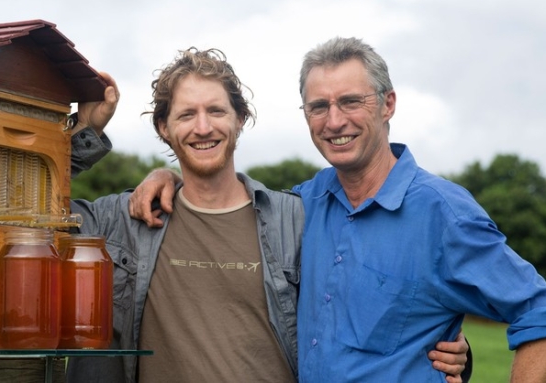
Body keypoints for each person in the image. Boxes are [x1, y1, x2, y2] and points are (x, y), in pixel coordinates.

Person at [129, 38, 546, 381]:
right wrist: (167, 177)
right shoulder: (300, 207)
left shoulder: (443, 214)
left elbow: (536, 311)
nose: (334, 121)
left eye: (350, 102)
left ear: (387, 105)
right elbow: (223, 198)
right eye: (318, 107)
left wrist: (461, 356)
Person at [67, 50, 468, 382]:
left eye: (216, 111)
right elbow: (17, 217)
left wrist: (447, 348)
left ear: (240, 119)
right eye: (187, 115)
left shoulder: (297, 218)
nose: (203, 127)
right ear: (164, 128)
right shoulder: (124, 219)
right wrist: (83, 131)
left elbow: (377, 298)